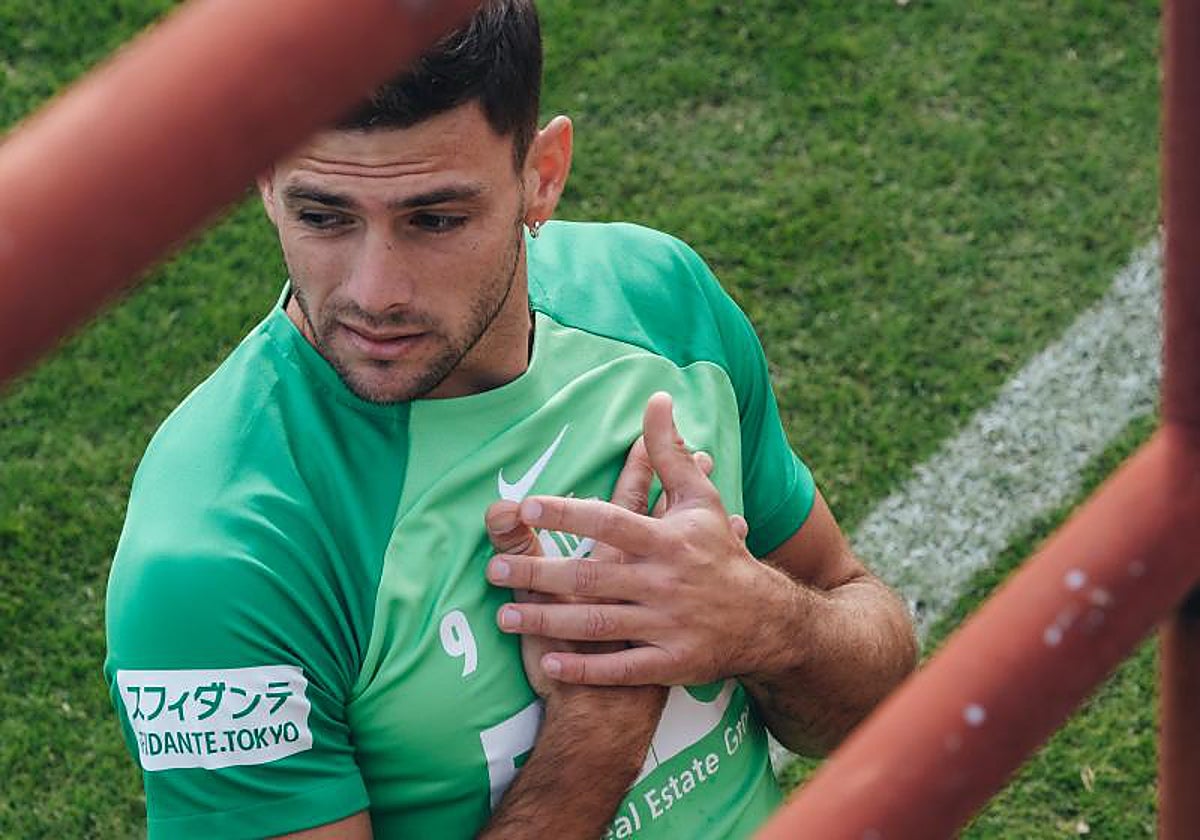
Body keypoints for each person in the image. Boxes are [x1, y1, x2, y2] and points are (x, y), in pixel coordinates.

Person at [103, 1, 918, 837]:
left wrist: (767, 623)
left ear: (542, 175)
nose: (374, 292)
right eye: (324, 217)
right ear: (267, 178)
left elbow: (868, 706)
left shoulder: (658, 301)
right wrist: (598, 732)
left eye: (435, 219)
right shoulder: (221, 551)